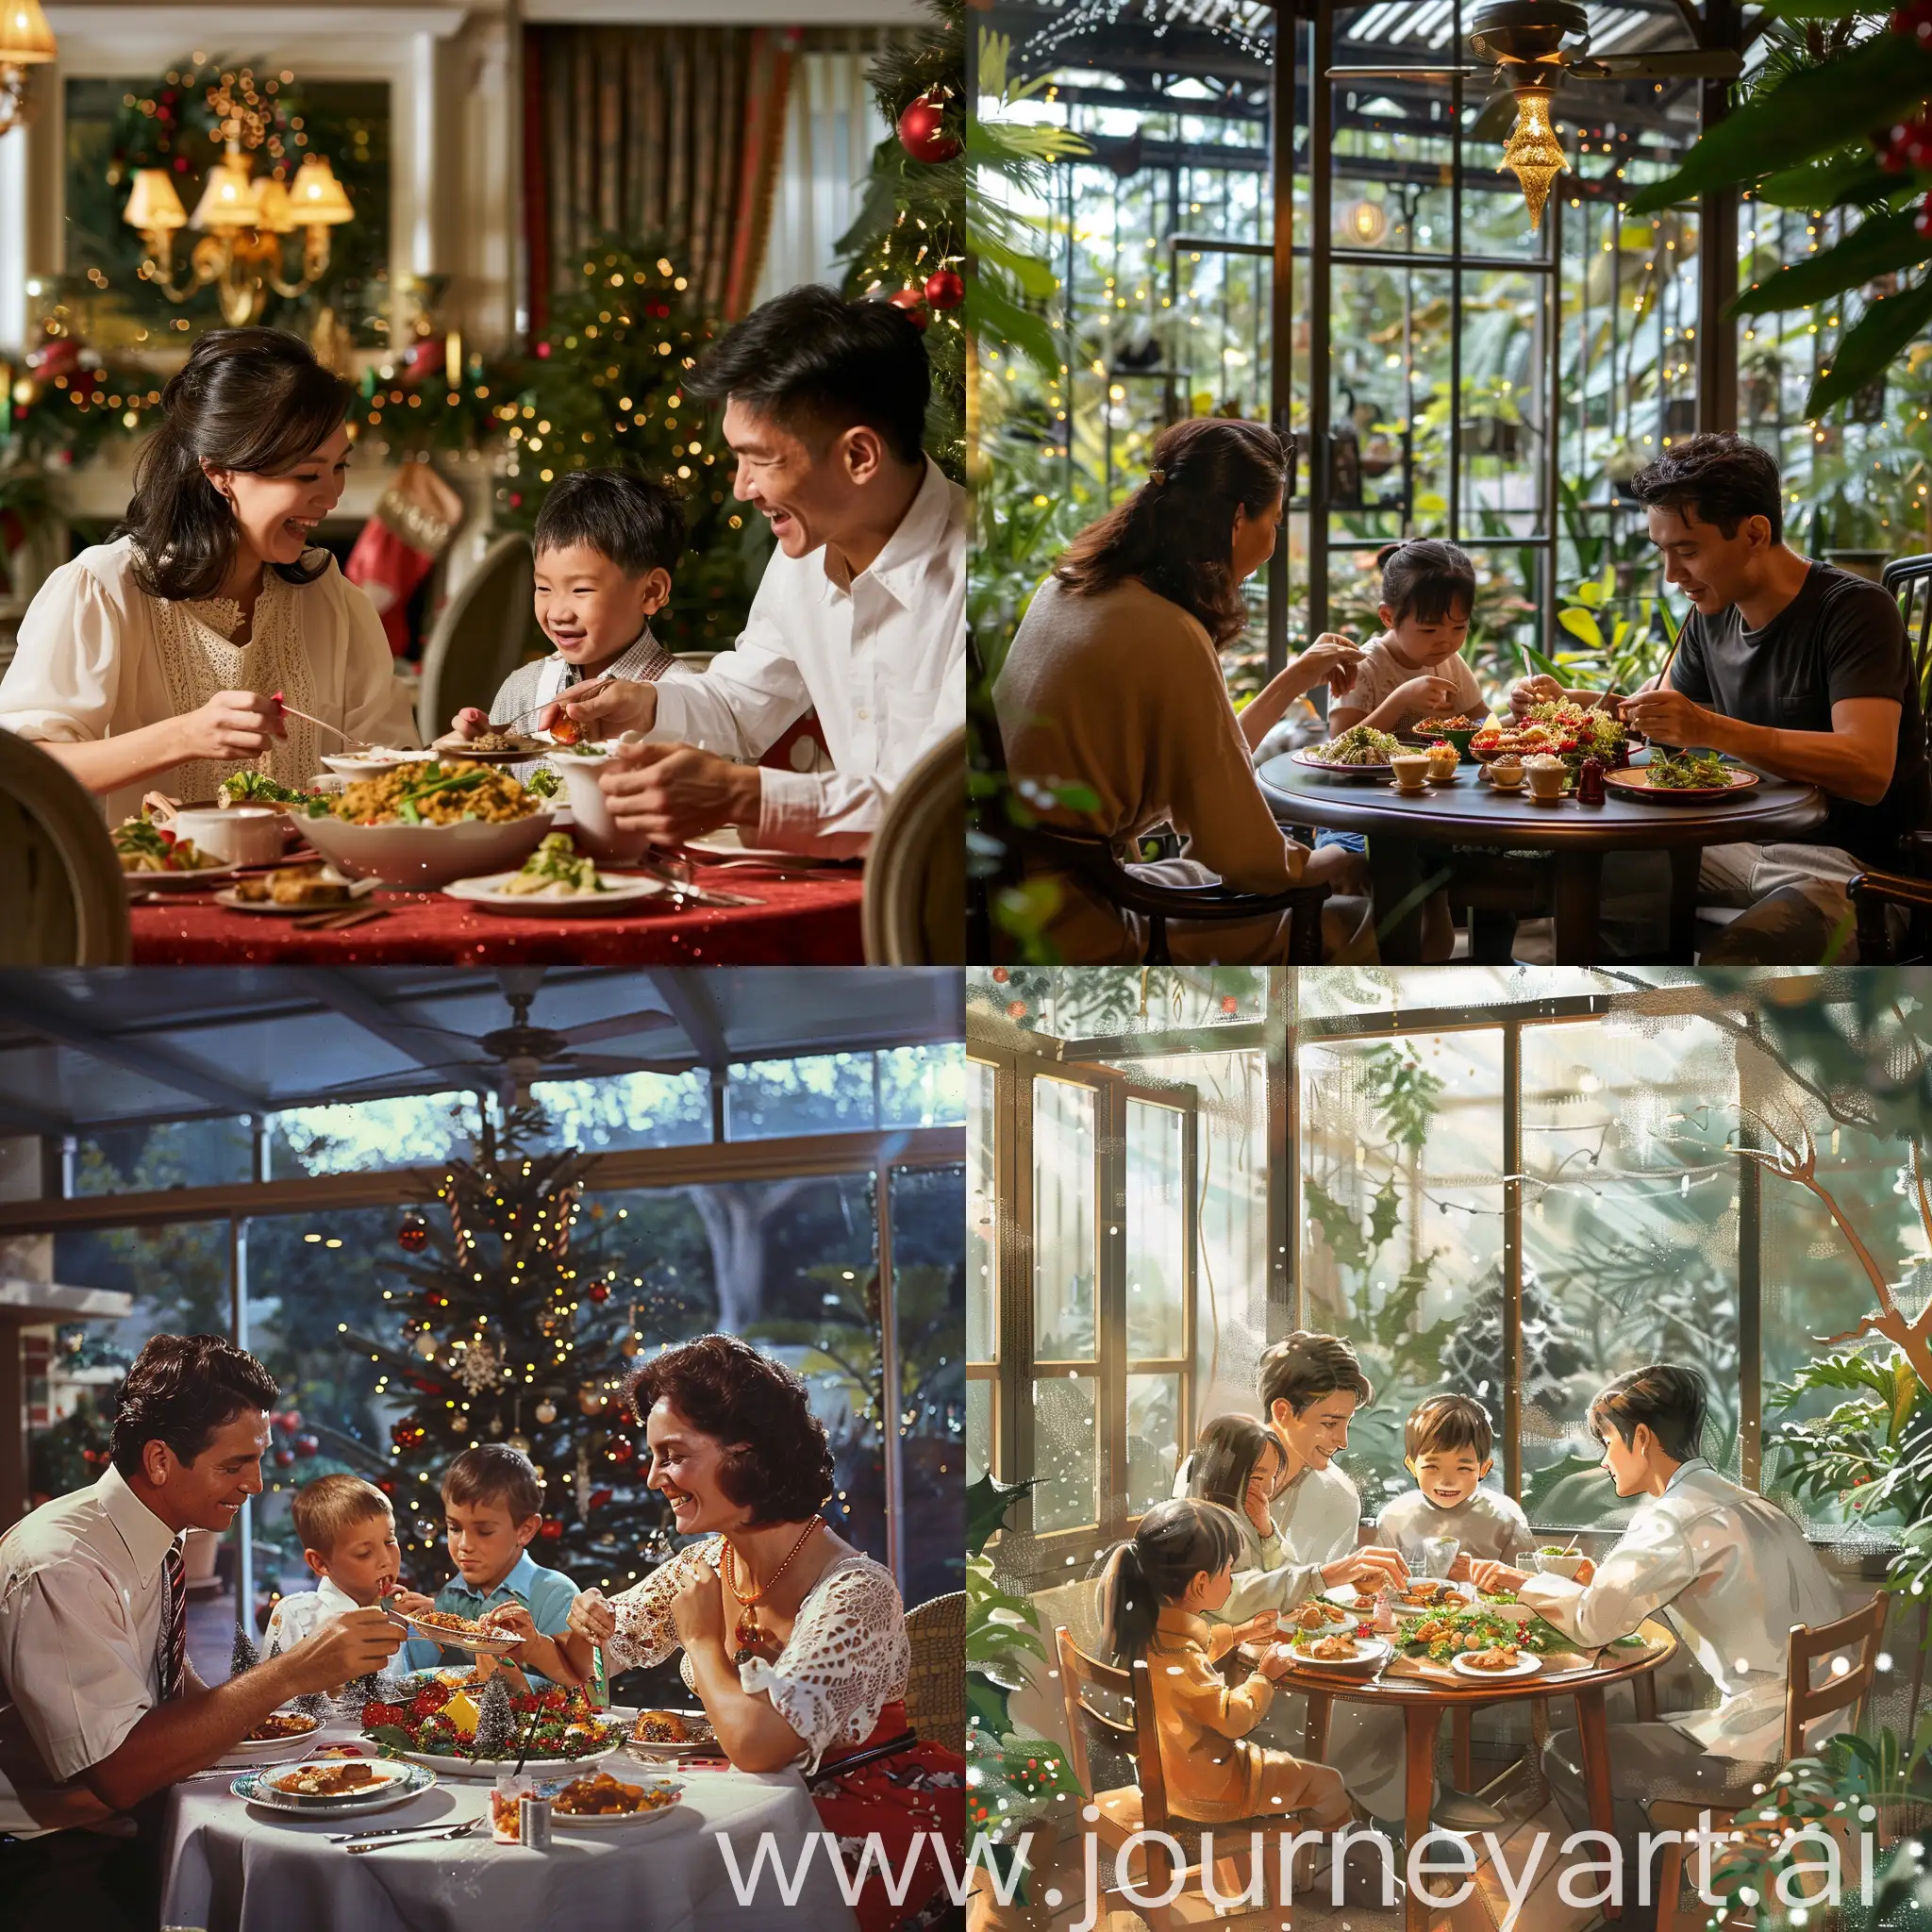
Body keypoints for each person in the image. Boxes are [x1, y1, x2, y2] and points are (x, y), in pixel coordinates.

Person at [0, 1335, 404, 1932]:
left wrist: (294, 1736)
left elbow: (167, 1679)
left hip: (139, 1818)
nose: (257, 1484)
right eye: (235, 1465)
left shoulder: (157, 1528)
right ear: (161, 1460)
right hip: (57, 1854)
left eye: (258, 1459)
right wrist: (292, 1671)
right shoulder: (63, 1564)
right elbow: (115, 1771)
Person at [563, 1335, 960, 1932]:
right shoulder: (705, 1564)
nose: (653, 1480)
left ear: (745, 1452)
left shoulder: (857, 1590)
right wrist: (578, 1620)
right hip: (756, 1802)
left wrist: (699, 1640)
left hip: (865, 1811)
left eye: (671, 1455)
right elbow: (589, 1662)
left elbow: (759, 1746)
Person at [553, 286, 963, 859]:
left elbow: (945, 806)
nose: (742, 488)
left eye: (760, 460)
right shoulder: (803, 558)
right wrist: (647, 706)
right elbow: (743, 704)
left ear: (860, 457)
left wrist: (744, 798)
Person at [1509, 433, 1929, 962]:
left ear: (1754, 533)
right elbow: (1657, 718)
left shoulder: (1853, 611)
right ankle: (1626, 1019)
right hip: (1738, 845)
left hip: (1851, 868)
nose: (1672, 574)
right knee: (1600, 873)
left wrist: (1711, 729)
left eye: (1687, 551)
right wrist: (1569, 700)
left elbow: (1868, 770)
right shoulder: (1712, 613)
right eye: (1663, 551)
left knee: (1734, 965)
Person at [0, 328, 418, 825]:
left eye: (339, 468)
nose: (332, 496)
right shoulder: (103, 588)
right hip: (148, 889)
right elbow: (23, 767)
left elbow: (391, 764)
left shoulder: (335, 600)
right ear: (220, 473)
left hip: (312, 890)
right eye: (307, 475)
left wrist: (446, 759)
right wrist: (184, 736)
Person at [993, 418, 1373, 962]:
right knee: (1352, 911)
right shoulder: (1166, 628)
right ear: (1239, 519)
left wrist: (1291, 680)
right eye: (1276, 522)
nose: (1273, 541)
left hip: (1017, 897)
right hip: (1082, 923)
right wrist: (1326, 861)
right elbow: (1245, 853)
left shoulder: (1071, 588)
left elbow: (1201, 771)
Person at [1470, 1364, 1848, 1843]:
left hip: (1761, 1751)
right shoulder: (1746, 1503)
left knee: (1568, 1753)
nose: (1605, 1461)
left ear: (1642, 1438)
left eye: (1608, 1442)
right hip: (1821, 1734)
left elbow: (1592, 1625)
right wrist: (1597, 1584)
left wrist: (1517, 1581)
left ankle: (1633, 1895)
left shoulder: (1672, 1518)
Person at [1097, 1496, 1350, 1835]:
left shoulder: (1149, 1635)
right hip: (1212, 1789)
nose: (1232, 1580)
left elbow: (1194, 1659)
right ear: (1201, 1583)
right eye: (1230, 1570)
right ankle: (1326, 1857)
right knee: (1328, 1782)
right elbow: (1234, 1718)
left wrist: (1241, 1632)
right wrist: (1265, 1676)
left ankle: (1296, 1848)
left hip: (1166, 1776)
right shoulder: (1181, 1656)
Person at [445, 470, 709, 772]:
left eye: (580, 589)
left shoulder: (689, 699)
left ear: (651, 592)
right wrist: (474, 760)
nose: (557, 612)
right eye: (543, 588)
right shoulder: (522, 691)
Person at [392, 1443, 587, 1686]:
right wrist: (415, 1627)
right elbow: (423, 1675)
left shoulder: (555, 1595)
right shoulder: (452, 1595)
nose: (464, 1545)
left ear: (525, 1530)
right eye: (454, 1528)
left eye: (483, 1531)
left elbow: (584, 1690)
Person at [1324, 540, 1483, 741]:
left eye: (1459, 627)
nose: (1446, 641)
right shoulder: (1363, 667)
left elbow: (1483, 723)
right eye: (1429, 630)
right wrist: (1400, 700)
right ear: (1388, 617)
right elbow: (1337, 749)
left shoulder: (1449, 662)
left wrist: (1517, 714)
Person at [1374, 1394, 1531, 1577]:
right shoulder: (1394, 1516)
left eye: (1463, 1468)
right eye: (1432, 1466)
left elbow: (1527, 1582)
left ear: (1484, 1468)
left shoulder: (1506, 1517)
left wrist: (1479, 1576)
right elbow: (1379, 1583)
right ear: (1411, 1465)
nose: (1447, 1480)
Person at [261, 1473, 402, 1657]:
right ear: (319, 1563)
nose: (386, 1560)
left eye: (390, 1541)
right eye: (364, 1553)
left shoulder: (400, 1611)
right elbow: (271, 1684)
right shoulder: (298, 1616)